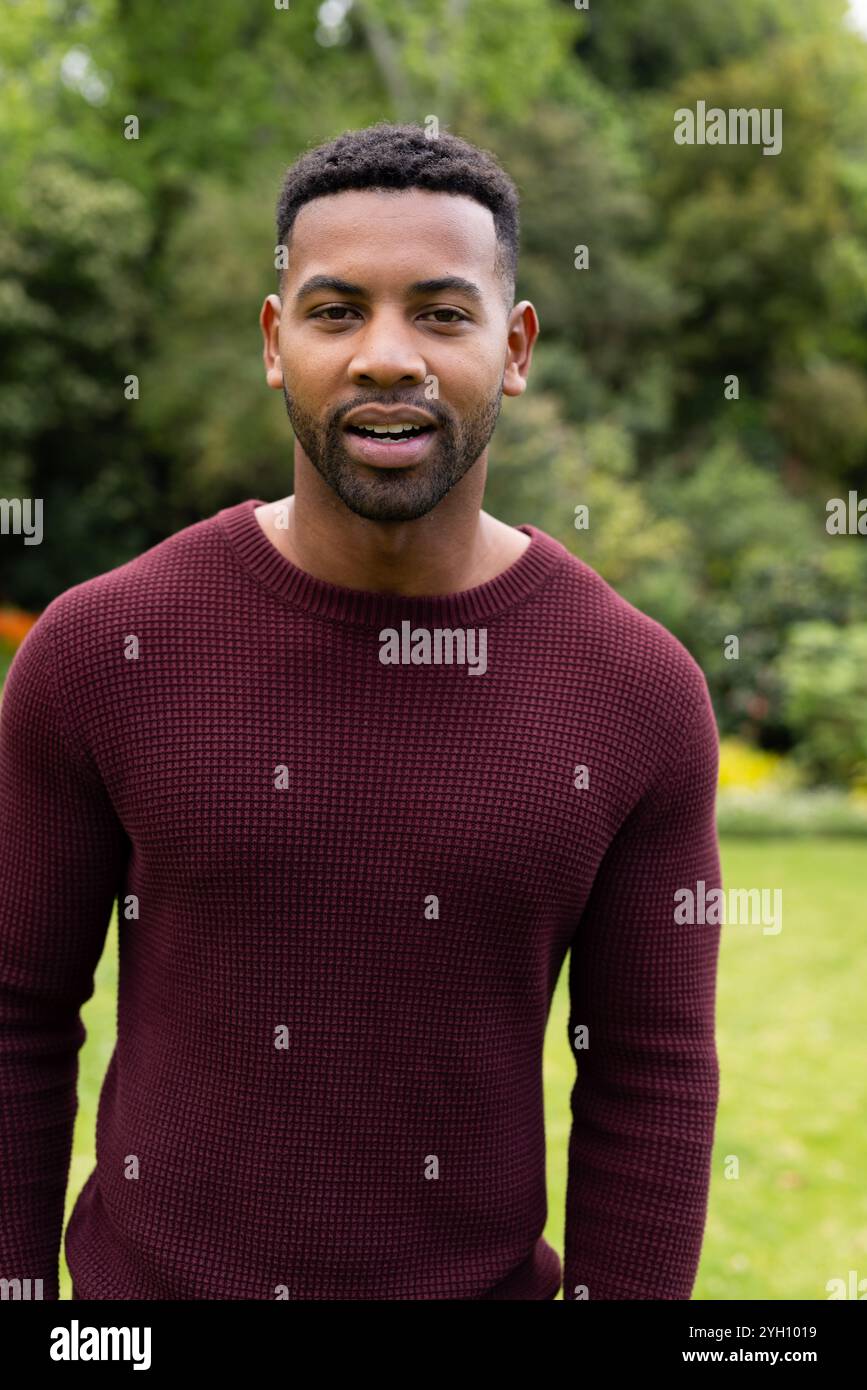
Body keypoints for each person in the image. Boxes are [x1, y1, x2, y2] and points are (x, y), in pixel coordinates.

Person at [0, 122, 722, 1301]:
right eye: (338, 312)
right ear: (277, 344)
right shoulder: (99, 653)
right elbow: (16, 1016)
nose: (389, 358)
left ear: (518, 345)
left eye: (443, 313)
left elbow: (652, 1074)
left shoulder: (637, 691)